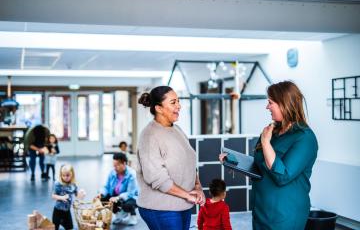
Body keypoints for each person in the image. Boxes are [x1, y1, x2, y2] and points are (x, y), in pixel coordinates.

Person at [221, 81, 318, 230]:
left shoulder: (305, 138)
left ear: (284, 104)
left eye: (270, 103)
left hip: (285, 214)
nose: (267, 107)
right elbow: (260, 165)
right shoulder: (272, 131)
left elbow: (282, 176)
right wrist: (234, 163)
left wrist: (266, 143)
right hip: (261, 211)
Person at [137, 86, 205, 230]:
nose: (179, 106)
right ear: (159, 108)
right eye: (173, 102)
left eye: (178, 101)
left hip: (182, 205)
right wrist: (187, 195)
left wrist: (198, 187)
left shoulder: (177, 129)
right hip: (160, 208)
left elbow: (190, 163)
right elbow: (156, 178)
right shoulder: (149, 135)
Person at [99, 152, 139, 226]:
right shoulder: (112, 172)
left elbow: (130, 193)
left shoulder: (131, 174)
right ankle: (119, 214)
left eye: (117, 165)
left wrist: (118, 197)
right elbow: (106, 187)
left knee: (128, 205)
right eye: (114, 165)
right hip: (117, 196)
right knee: (103, 199)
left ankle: (132, 215)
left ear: (124, 163)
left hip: (131, 197)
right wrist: (101, 194)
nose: (115, 167)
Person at [52, 164, 85, 230]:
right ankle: (60, 222)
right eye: (63, 175)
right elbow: (53, 196)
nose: (65, 177)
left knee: (70, 227)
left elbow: (77, 195)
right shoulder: (58, 184)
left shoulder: (73, 184)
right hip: (58, 210)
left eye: (67, 175)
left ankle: (63, 222)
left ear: (72, 174)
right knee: (55, 227)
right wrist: (62, 197)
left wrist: (81, 194)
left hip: (67, 210)